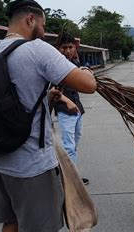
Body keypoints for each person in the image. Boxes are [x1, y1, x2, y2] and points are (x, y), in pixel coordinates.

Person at [0, 0, 96, 232]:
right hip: (30, 165)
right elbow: (88, 85)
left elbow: (13, 98)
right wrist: (85, 69)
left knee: (11, 222)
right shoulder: (37, 50)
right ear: (30, 19)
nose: (44, 32)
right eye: (43, 25)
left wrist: (45, 99)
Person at [53, 33, 89, 185]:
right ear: (58, 49)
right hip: (65, 110)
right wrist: (66, 101)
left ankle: (69, 173)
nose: (67, 51)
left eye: (70, 47)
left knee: (74, 142)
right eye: (64, 48)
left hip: (77, 109)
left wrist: (86, 72)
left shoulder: (74, 63)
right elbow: (52, 89)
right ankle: (71, 181)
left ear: (75, 48)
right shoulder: (55, 65)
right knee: (69, 145)